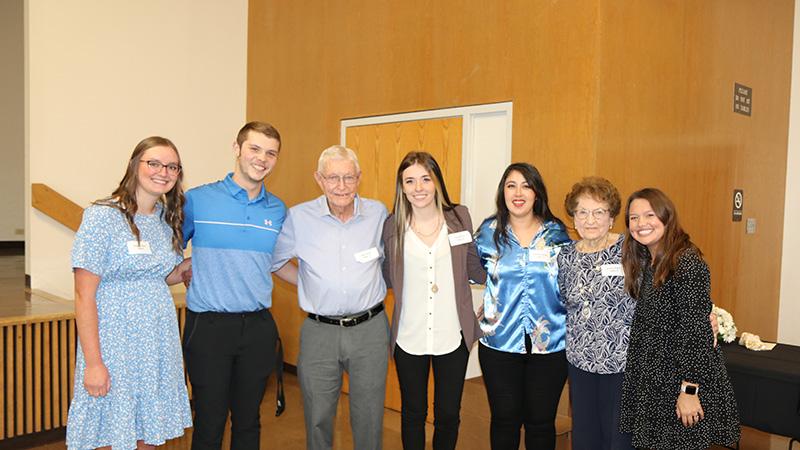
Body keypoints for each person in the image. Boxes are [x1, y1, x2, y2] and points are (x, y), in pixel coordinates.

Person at [67, 136, 192, 449]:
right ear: (136, 165)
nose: (163, 171)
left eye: (172, 166)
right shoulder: (102, 216)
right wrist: (94, 363)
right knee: (111, 430)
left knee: (148, 432)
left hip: (156, 342)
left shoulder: (166, 221)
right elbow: (84, 295)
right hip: (115, 342)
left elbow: (158, 276)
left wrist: (197, 263)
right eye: (154, 163)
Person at [271, 145, 389, 450]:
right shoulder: (299, 217)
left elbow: (393, 260)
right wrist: (307, 284)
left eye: (348, 177)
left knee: (369, 415)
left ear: (359, 177)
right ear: (319, 179)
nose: (341, 186)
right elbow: (276, 261)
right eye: (333, 177)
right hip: (319, 331)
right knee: (317, 416)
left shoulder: (378, 213)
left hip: (370, 329)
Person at [182, 122, 290, 450]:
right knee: (209, 422)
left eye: (271, 153)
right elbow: (167, 250)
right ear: (237, 148)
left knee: (248, 421)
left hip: (257, 328)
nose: (262, 158)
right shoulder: (198, 200)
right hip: (208, 327)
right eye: (255, 149)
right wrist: (187, 266)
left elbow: (276, 262)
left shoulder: (278, 209)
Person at [619, 188, 740, 449]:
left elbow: (696, 331)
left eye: (649, 215)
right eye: (633, 218)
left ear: (666, 216)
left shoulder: (686, 262)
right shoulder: (647, 261)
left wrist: (689, 390)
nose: (641, 224)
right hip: (656, 379)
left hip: (680, 380)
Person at [380, 151, 486, 450]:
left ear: (437, 181)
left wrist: (504, 286)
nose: (419, 187)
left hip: (452, 334)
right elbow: (384, 276)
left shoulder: (459, 217)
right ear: (401, 187)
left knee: (448, 414)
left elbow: (474, 267)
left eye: (426, 178)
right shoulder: (392, 226)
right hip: (408, 336)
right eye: (410, 180)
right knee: (413, 413)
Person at [474, 162, 571, 450]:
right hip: (500, 343)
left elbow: (573, 278)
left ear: (537, 193)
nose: (518, 192)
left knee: (541, 423)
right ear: (502, 192)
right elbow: (470, 272)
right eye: (511, 185)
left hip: (550, 344)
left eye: (526, 186)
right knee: (504, 420)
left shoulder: (557, 234)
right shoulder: (487, 233)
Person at [556, 177, 635, 450]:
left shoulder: (631, 250)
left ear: (611, 217)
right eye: (583, 212)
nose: (590, 220)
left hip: (623, 361)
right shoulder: (566, 256)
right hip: (581, 360)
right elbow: (562, 301)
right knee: (586, 436)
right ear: (574, 218)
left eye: (599, 212)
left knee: (619, 439)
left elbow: (663, 287)